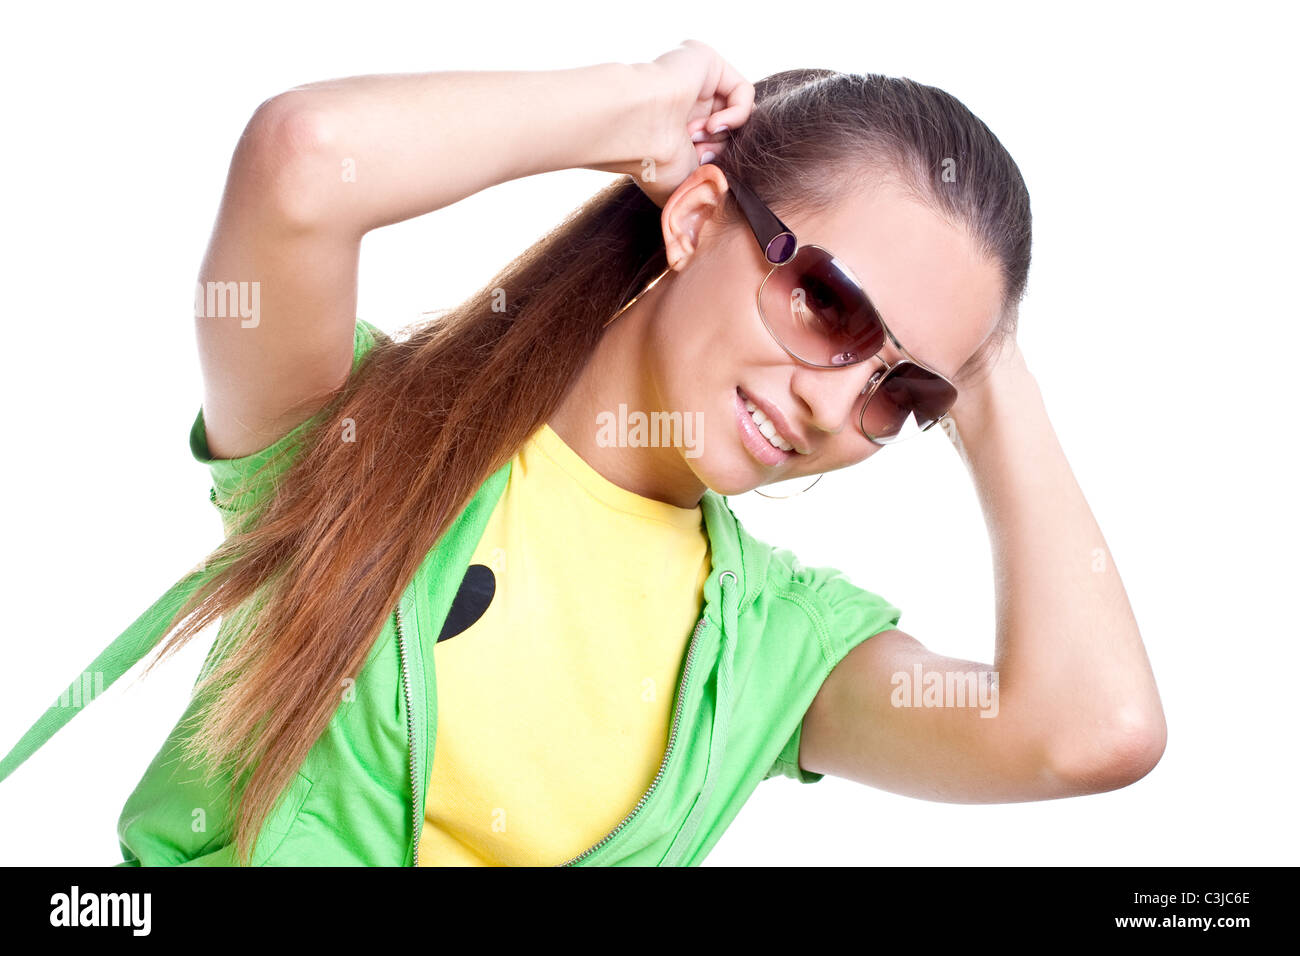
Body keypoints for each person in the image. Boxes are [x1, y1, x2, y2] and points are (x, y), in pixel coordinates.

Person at [0, 40, 1165, 866]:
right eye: (828, 305)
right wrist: (634, 108)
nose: (831, 401)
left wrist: (984, 353)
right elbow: (303, 160)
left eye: (898, 391)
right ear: (700, 221)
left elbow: (1092, 731)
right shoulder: (353, 431)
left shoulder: (770, 655)